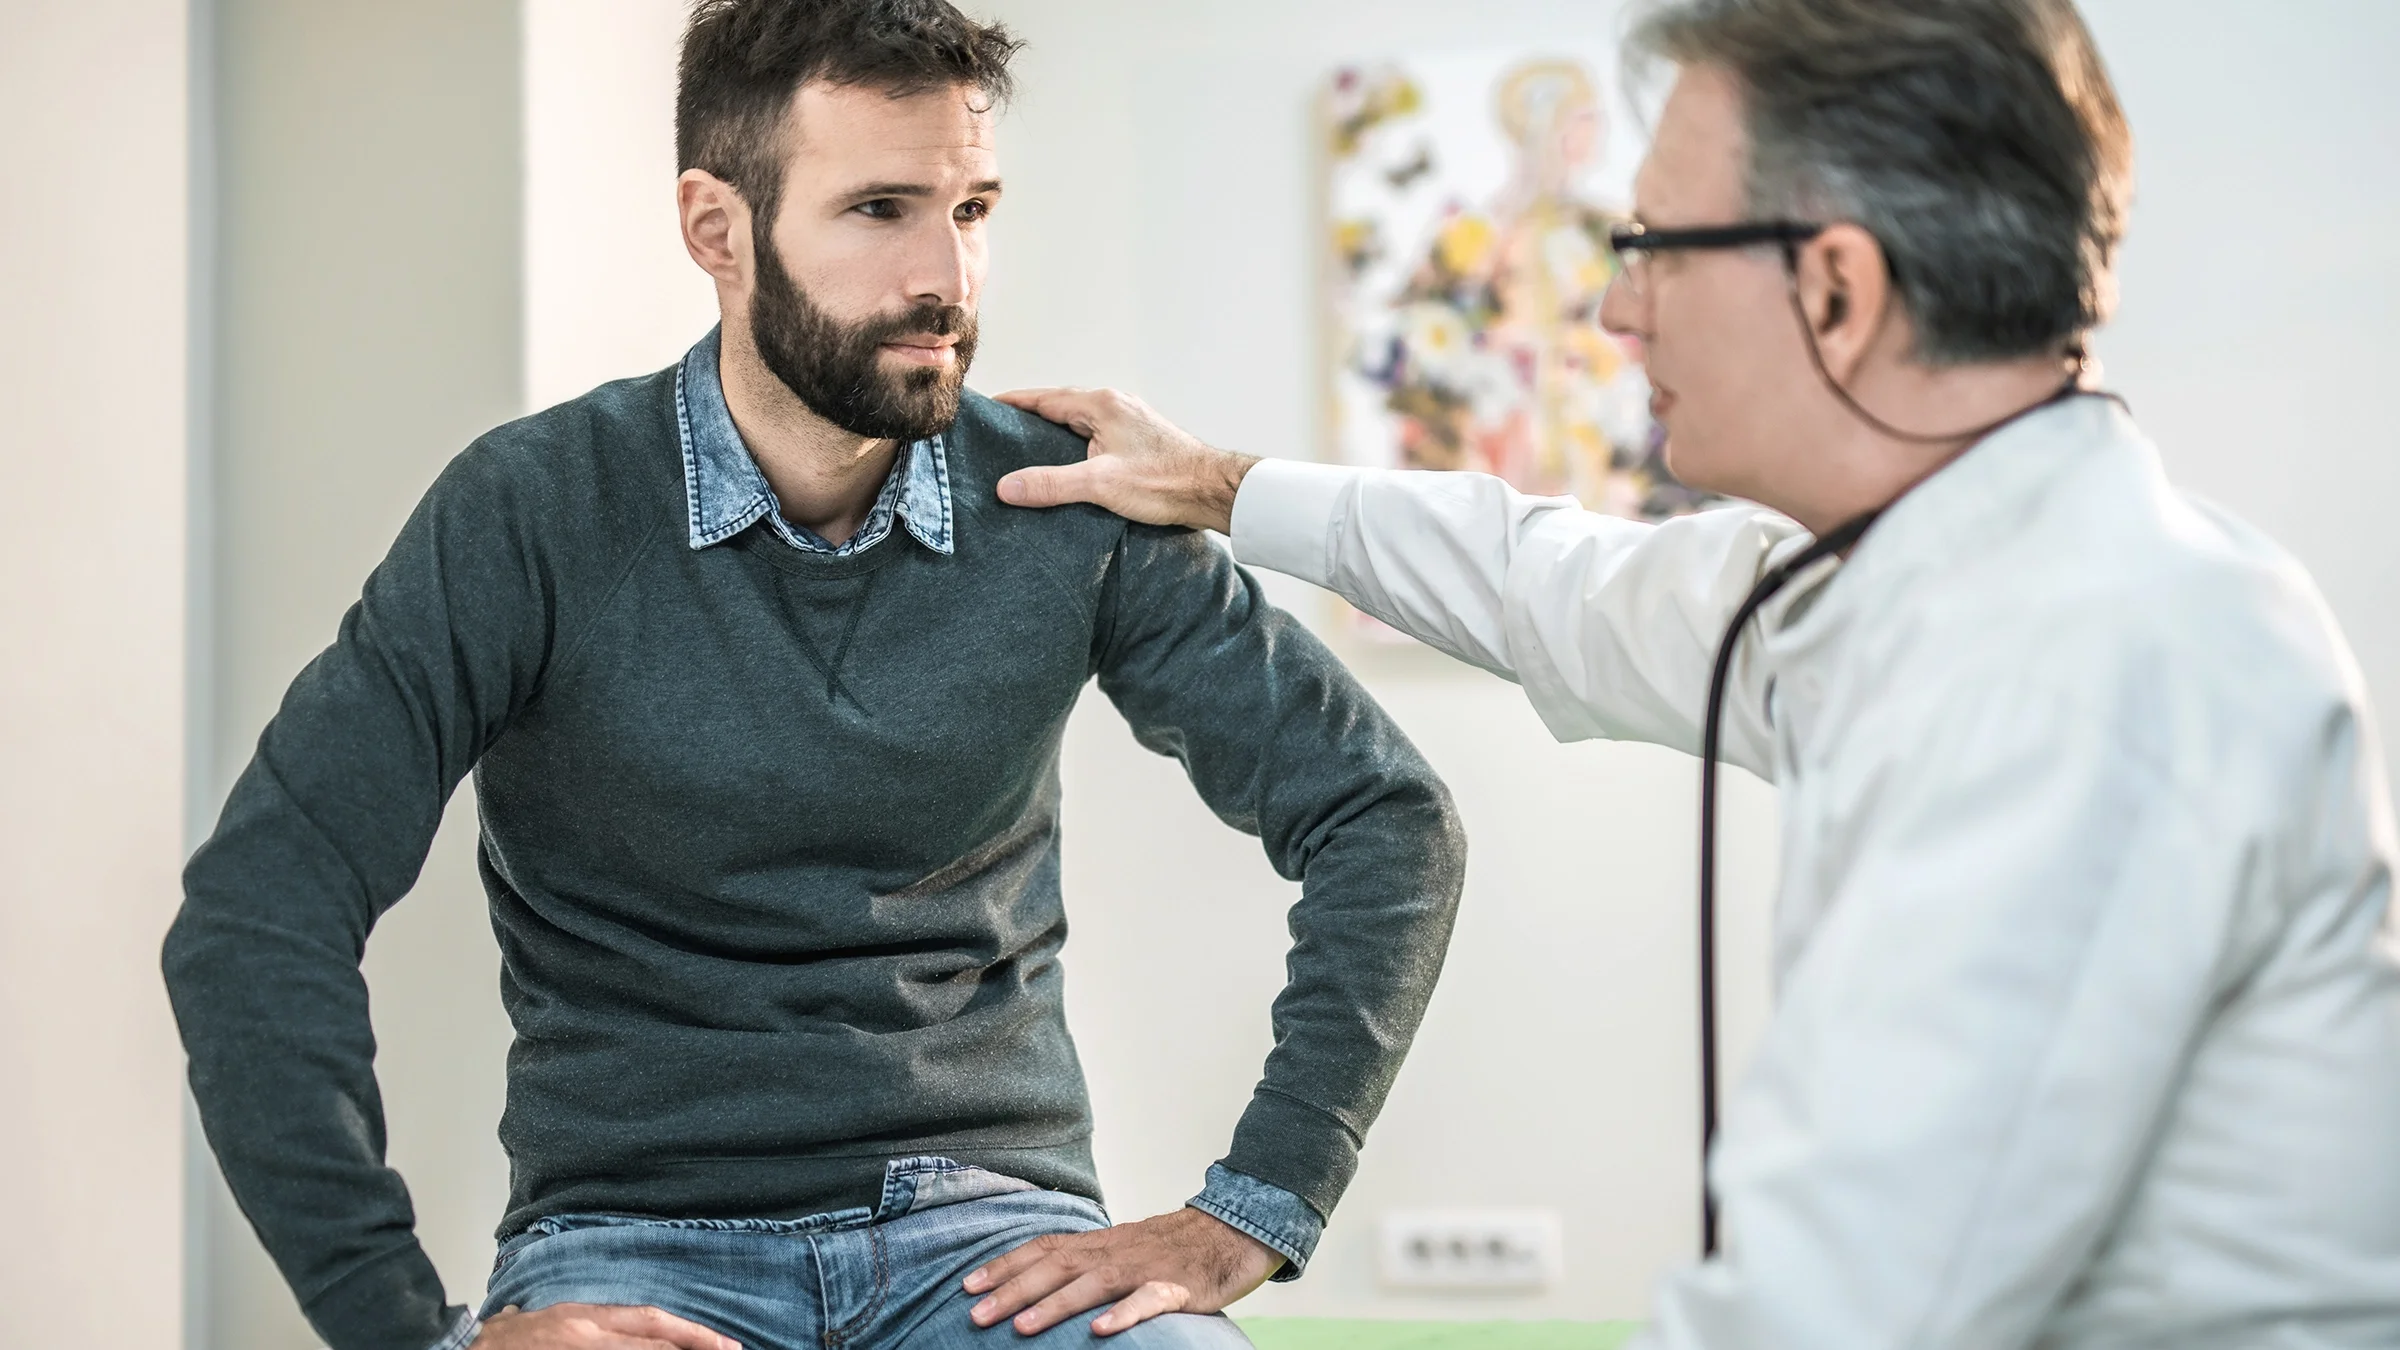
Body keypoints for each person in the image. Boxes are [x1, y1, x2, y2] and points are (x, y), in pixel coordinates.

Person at [993, 0, 2400, 1345]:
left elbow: (1846, 1302)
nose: (1618, 309)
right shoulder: (1902, 586)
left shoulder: (2088, 669)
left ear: (1837, 289)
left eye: (1656, 245)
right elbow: (1545, 580)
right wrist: (1215, 481)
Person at [161, 3, 1467, 1349]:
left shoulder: (1068, 507)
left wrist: (1255, 1207)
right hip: (633, 1241)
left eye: (971, 209)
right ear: (717, 229)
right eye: (881, 209)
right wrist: (409, 1334)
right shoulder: (529, 511)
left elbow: (1382, 816)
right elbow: (260, 911)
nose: (947, 276)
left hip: (989, 1240)